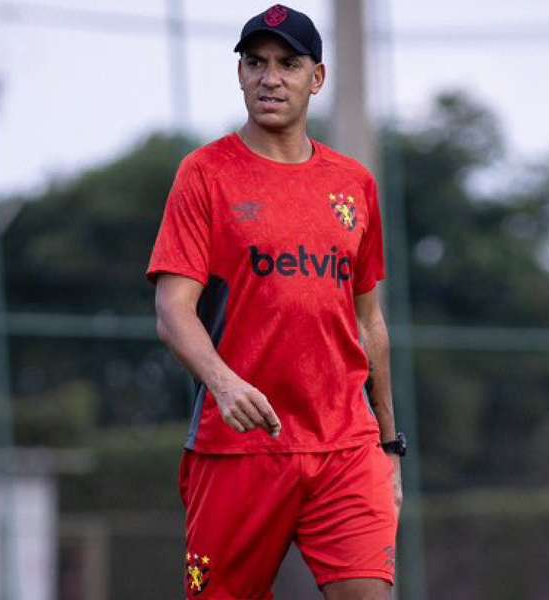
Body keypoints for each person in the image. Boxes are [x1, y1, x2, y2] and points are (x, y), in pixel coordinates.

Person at [146, 5, 404, 599]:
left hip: (345, 445)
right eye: (255, 63)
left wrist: (389, 446)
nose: (270, 78)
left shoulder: (354, 185)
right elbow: (172, 311)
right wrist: (224, 382)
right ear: (239, 74)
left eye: (288, 64)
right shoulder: (205, 175)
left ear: (317, 78)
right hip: (238, 449)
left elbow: (370, 322)